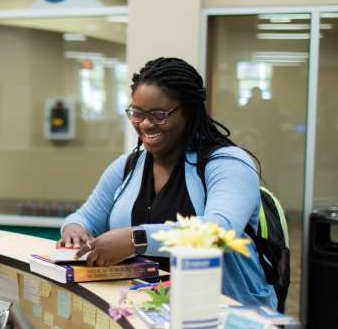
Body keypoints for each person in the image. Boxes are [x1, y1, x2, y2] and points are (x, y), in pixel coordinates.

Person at [60, 57, 276, 309]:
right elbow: (85, 217)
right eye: (137, 113)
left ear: (188, 111)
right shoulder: (128, 166)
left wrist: (135, 239)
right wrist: (73, 229)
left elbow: (220, 234)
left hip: (222, 313)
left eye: (159, 115)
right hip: (147, 310)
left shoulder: (228, 163)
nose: (146, 123)